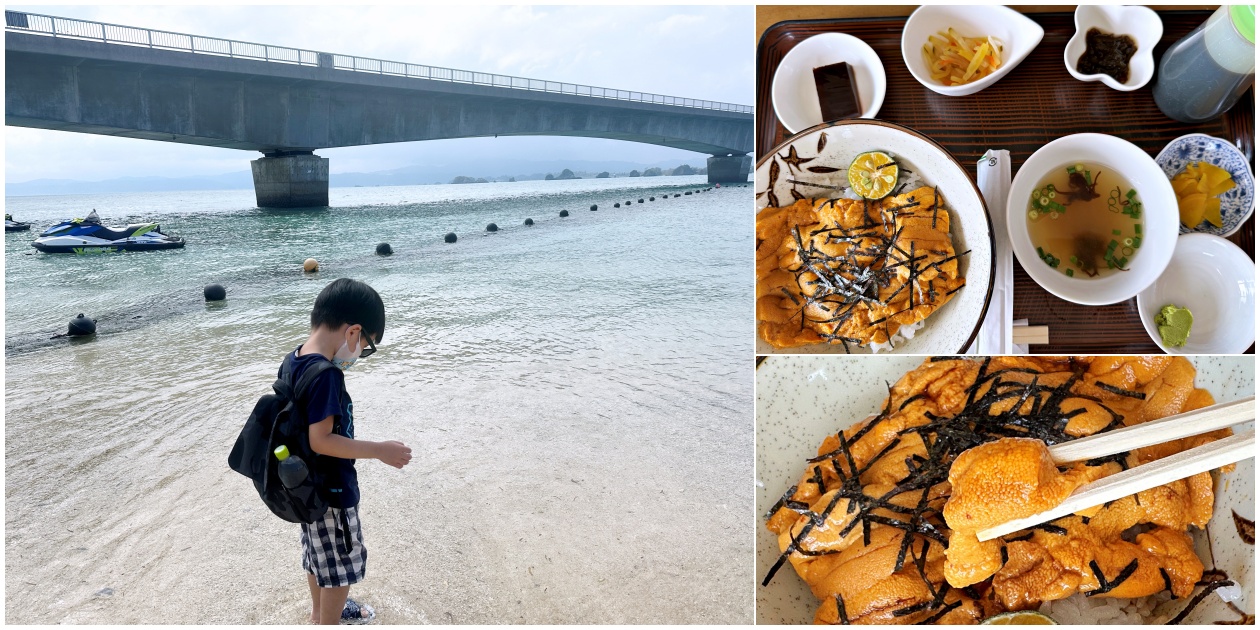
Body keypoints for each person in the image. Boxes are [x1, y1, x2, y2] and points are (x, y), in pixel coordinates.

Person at [281, 278, 412, 624]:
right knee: (342, 566)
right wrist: (380, 450)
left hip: (304, 486)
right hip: (331, 490)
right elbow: (321, 440)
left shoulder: (294, 358)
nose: (359, 355)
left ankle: (319, 615)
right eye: (366, 347)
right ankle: (329, 621)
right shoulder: (327, 376)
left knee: (318, 557)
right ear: (353, 332)